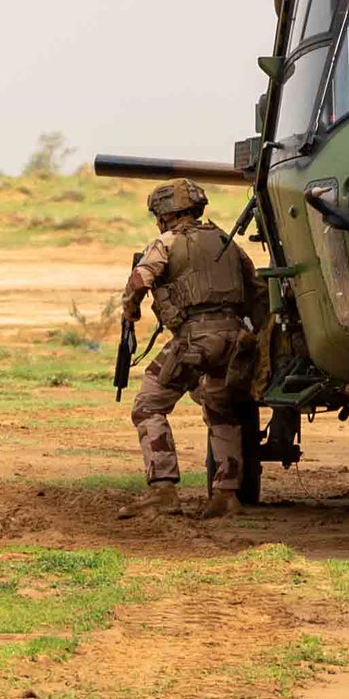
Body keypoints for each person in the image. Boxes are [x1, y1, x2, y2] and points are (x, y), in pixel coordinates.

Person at [119, 179, 262, 516]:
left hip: (195, 340)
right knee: (221, 411)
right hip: (234, 341)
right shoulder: (227, 241)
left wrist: (131, 307)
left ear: (167, 214)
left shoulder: (167, 242)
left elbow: (140, 279)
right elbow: (256, 290)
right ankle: (226, 495)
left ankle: (162, 490)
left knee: (148, 404)